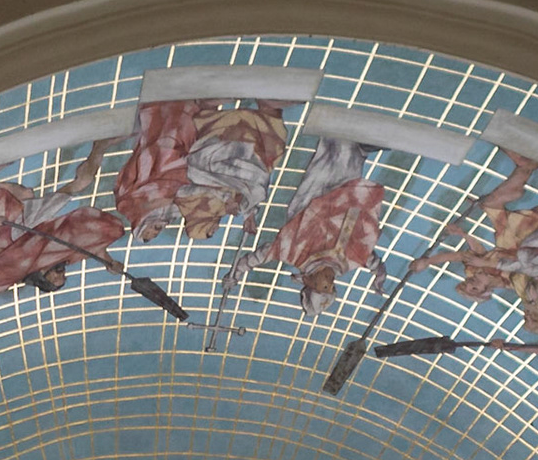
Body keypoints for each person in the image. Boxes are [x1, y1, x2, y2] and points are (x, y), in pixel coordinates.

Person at [407, 152, 538, 334]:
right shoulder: (513, 284)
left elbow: (465, 255)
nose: (471, 282)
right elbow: (535, 268)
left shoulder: (477, 271)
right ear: (487, 292)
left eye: (467, 285)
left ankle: (527, 168)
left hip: (524, 239)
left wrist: (432, 259)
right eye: (474, 288)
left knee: (498, 206)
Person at [225, 137, 386, 318]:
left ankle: (343, 142)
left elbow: (259, 256)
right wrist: (379, 276)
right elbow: (370, 259)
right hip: (345, 199)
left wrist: (236, 273)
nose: (330, 282)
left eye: (324, 287)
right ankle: (358, 149)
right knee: (350, 171)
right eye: (332, 287)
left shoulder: (295, 255)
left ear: (309, 281)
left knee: (328, 165)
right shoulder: (347, 262)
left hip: (314, 196)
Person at [0, 142, 126, 295]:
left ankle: (99, 147)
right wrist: (110, 263)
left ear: (43, 278)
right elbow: (89, 246)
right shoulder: (57, 256)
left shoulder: (19, 266)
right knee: (29, 193)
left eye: (57, 277)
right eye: (63, 276)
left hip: (26, 224)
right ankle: (99, 147)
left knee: (68, 186)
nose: (62, 273)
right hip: (35, 223)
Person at [174, 100, 290, 239]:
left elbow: (192, 190)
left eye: (210, 231)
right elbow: (240, 198)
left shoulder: (186, 204)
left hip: (210, 170)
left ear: (200, 224)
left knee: (223, 157)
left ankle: (213, 105)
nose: (216, 228)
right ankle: (270, 110)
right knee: (270, 156)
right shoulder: (220, 211)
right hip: (234, 178)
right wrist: (249, 215)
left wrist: (226, 198)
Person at [115, 100, 215, 241]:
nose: (154, 233)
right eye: (154, 235)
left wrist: (176, 199)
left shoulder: (131, 211)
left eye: (148, 233)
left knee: (168, 147)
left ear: (140, 227)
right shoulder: (170, 216)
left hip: (156, 174)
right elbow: (184, 203)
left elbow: (147, 201)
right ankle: (200, 110)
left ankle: (178, 110)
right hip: (179, 177)